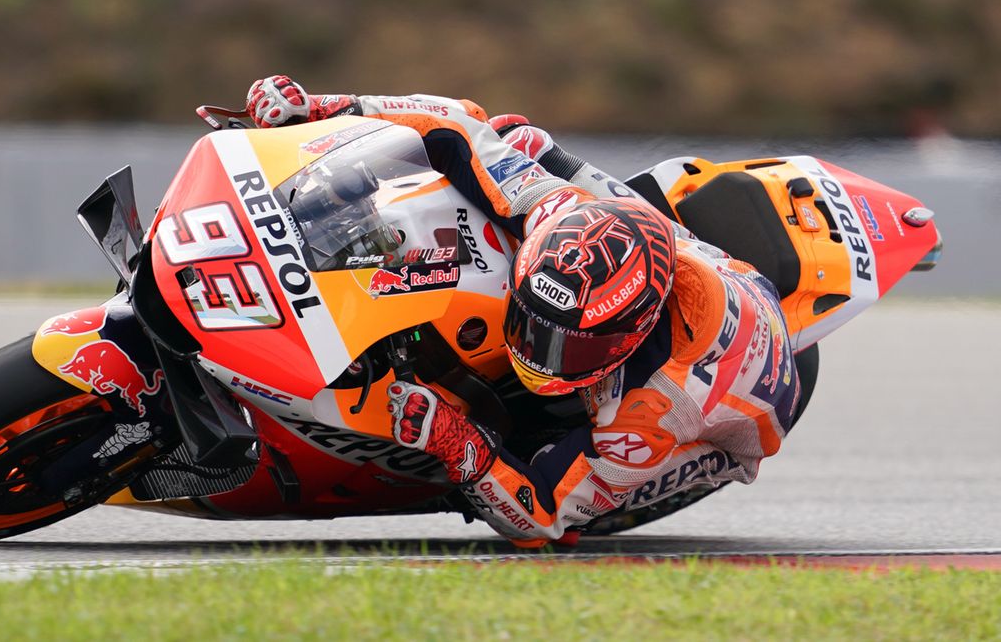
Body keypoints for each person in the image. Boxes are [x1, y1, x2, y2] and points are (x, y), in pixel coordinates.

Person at [245, 75, 801, 547]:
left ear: (629, 337)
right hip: (683, 258)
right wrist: (324, 107)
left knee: (539, 464)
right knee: (516, 137)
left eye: (564, 346)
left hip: (736, 406)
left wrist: (458, 444)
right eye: (530, 322)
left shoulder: (657, 410)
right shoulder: (556, 211)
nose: (533, 351)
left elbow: (540, 517)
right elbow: (456, 125)